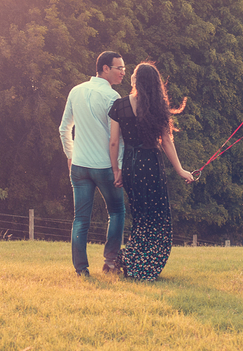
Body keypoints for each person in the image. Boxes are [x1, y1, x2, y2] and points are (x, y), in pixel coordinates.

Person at [108, 61, 194, 281]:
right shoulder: (158, 109)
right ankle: (143, 266)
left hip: (130, 165)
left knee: (139, 217)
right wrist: (181, 170)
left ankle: (129, 260)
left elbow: (114, 143)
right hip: (151, 165)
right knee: (155, 218)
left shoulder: (120, 105)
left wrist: (116, 170)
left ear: (135, 80)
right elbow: (166, 141)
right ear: (156, 84)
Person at [59, 51, 127, 276]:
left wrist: (70, 156)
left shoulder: (76, 91)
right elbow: (116, 139)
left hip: (79, 166)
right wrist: (118, 168)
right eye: (119, 68)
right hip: (104, 167)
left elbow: (64, 128)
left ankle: (81, 270)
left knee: (80, 219)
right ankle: (109, 263)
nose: (123, 72)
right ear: (105, 68)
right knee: (117, 211)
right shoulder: (112, 98)